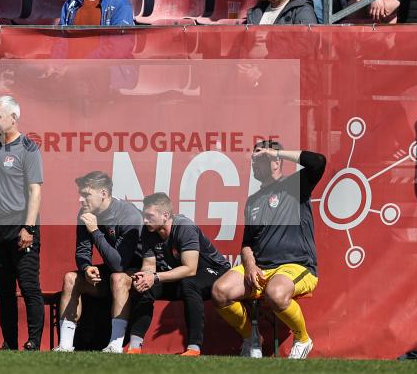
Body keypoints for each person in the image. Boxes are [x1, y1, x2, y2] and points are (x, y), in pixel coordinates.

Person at [212, 141, 327, 359]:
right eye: (253, 160)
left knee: (275, 293)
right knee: (220, 291)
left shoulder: (296, 185)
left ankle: (303, 339)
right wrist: (250, 265)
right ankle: (251, 337)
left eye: (260, 159)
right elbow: (246, 244)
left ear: (276, 161)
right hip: (261, 268)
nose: (255, 164)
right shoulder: (253, 200)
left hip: (296, 265)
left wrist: (277, 152)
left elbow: (318, 161)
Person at [0, 95, 45, 351]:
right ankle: (9, 344)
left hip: (21, 226)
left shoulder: (29, 148)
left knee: (28, 287)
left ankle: (34, 343)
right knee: (3, 291)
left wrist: (29, 227)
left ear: (13, 118)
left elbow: (35, 191)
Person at [125, 193, 230, 356]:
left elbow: (190, 269)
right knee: (146, 287)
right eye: (144, 216)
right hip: (183, 276)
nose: (145, 221)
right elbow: (149, 266)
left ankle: (194, 348)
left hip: (217, 272)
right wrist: (145, 277)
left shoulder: (184, 227)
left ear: (165, 215)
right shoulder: (148, 231)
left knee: (189, 283)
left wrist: (155, 277)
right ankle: (134, 346)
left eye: (150, 216)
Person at [55, 171, 143, 352]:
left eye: (86, 194)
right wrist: (86, 267)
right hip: (112, 271)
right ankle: (64, 345)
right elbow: (82, 251)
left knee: (117, 278)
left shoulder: (128, 214)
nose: (81, 199)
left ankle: (115, 346)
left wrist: (95, 230)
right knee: (71, 278)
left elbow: (120, 264)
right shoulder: (85, 214)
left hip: (138, 272)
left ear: (103, 193)